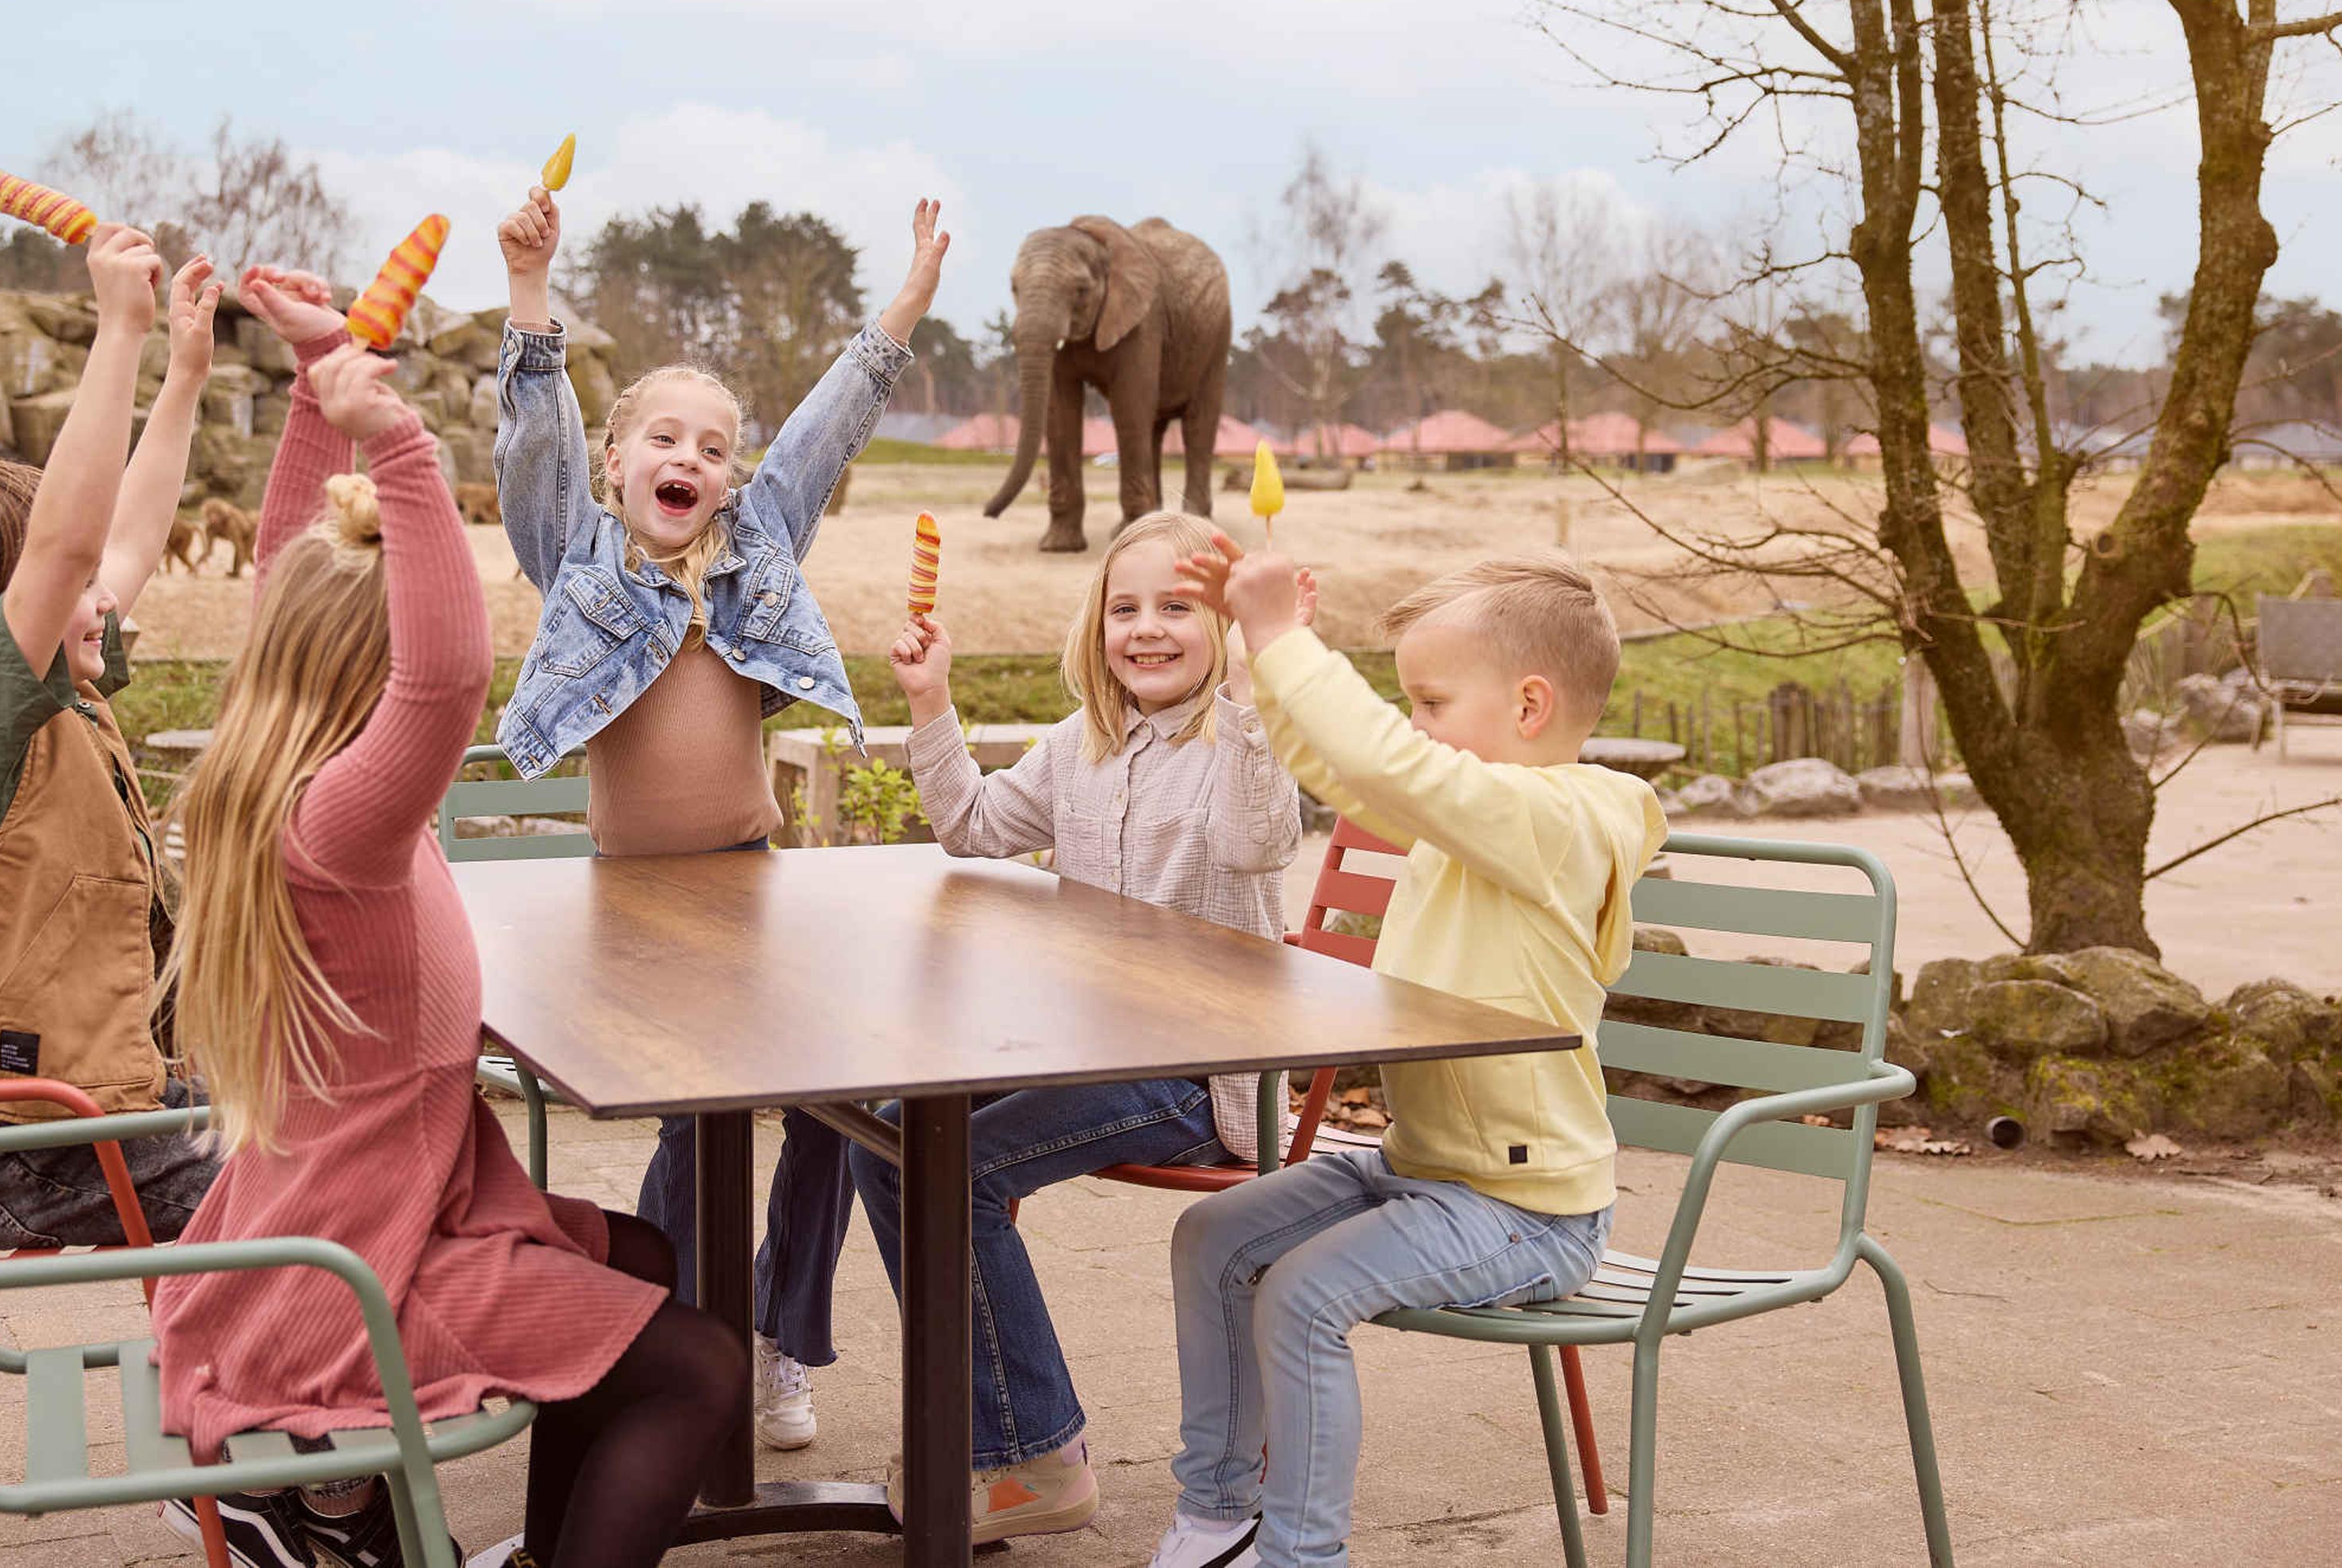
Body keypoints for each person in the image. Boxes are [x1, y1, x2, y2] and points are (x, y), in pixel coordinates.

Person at [152, 271, 740, 1568]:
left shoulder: (287, 780)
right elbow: (450, 672)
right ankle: (315, 1483)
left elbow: (281, 570)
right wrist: (399, 445)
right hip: (345, 1286)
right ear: (368, 684)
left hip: (325, 1232)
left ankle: (509, 1544)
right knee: (700, 1369)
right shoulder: (347, 822)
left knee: (643, 1248)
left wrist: (321, 377)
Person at [489, 182, 950, 1450]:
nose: (688, 460)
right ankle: (674, 1342)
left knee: (831, 1104)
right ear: (618, 460)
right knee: (699, 1125)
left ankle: (778, 1341)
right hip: (630, 907)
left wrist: (910, 292)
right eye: (663, 439)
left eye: (712, 447)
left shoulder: (761, 547)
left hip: (754, 886)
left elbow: (831, 422)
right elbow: (535, 440)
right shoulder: (575, 555)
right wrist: (531, 291)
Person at [1141, 544, 1664, 1568]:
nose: (1415, 724)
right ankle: (1218, 1517)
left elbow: (1388, 763)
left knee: (1302, 1295)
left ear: (1527, 706)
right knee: (1213, 1240)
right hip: (1426, 1172)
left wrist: (1292, 640)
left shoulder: (1557, 821)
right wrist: (1263, 642)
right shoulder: (1475, 820)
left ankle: (1302, 1557)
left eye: (1430, 700)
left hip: (1530, 1213)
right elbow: (1347, 768)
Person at [846, 511, 1307, 1541]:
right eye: (1125, 607)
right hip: (1085, 1056)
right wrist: (931, 703)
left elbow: (1250, 840)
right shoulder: (1081, 745)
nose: (1147, 628)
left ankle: (1028, 1456)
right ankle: (986, 1432)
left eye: (1180, 608)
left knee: (954, 1163)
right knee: (886, 1132)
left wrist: (1245, 687)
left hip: (1203, 1076)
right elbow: (972, 827)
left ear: (1227, 626)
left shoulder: (1251, 743)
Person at [0, 222, 223, 1252]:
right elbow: (64, 547)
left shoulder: (48, 681)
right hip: (9, 1144)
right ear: (0, 615)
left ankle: (256, 1377)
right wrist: (119, 329)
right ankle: (291, 1386)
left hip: (70, 1108)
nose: (98, 597)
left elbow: (120, 538)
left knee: (342, 1134)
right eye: (69, 592)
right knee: (313, 1184)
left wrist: (184, 375)